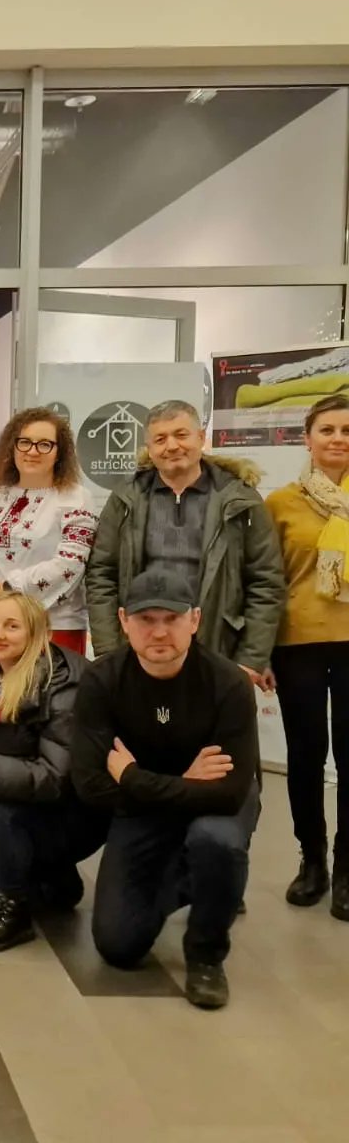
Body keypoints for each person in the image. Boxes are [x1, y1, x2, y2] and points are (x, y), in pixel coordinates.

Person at [72, 569, 260, 1010]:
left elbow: (231, 793)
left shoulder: (229, 683)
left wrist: (134, 777)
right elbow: (91, 786)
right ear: (124, 620)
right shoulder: (101, 681)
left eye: (171, 619)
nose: (159, 632)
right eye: (146, 619)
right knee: (118, 946)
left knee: (216, 842)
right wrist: (184, 783)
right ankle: (196, 880)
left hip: (199, 805)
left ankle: (206, 955)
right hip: (144, 810)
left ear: (194, 620)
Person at [0, 593, 108, 952]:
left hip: (70, 814)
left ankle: (15, 911)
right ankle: (55, 881)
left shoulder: (65, 683)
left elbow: (57, 774)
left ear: (38, 633)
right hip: (16, 804)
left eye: (12, 626)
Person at [86, 399, 285, 686]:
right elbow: (101, 575)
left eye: (181, 435)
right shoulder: (125, 499)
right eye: (160, 439)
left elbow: (265, 582)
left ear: (201, 438)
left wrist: (252, 658)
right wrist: (108, 652)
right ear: (149, 448)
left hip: (219, 649)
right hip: (142, 649)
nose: (172, 446)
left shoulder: (240, 500)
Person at [265, 393, 349, 919]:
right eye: (328, 430)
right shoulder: (280, 503)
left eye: (347, 430)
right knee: (305, 754)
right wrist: (259, 650)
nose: (338, 439)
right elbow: (267, 581)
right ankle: (312, 860)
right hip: (296, 643)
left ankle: (347, 869)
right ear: (308, 439)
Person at [0, 408, 96, 654]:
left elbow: (70, 565)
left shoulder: (76, 498)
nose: (32, 451)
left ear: (59, 452)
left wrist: (8, 588)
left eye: (44, 444)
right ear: (12, 447)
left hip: (50, 628)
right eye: (24, 442)